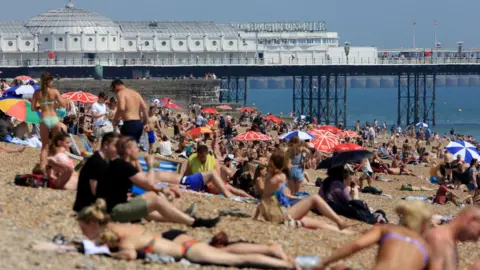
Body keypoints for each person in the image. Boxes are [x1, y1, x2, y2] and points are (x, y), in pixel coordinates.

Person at [77, 199, 296, 269]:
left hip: (183, 249)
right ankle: (269, 248)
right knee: (223, 251)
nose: (81, 231)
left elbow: (129, 254)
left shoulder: (116, 235)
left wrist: (105, 255)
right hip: (173, 237)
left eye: (82, 227)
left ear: (91, 222)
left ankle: (285, 264)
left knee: (237, 260)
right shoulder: (117, 226)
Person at [95, 136, 219, 227]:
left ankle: (181, 216)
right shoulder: (122, 165)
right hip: (114, 211)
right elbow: (149, 183)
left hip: (111, 206)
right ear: (128, 151)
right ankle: (194, 222)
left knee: (150, 211)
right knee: (155, 199)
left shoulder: (119, 164)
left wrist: (162, 189)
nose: (139, 150)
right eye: (136, 148)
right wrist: (149, 165)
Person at [254, 150, 355, 232]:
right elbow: (266, 199)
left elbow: (264, 199)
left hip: (278, 215)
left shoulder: (272, 178)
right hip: (280, 217)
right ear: (283, 164)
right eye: (290, 161)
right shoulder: (280, 177)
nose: (292, 163)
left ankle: (348, 232)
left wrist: (256, 217)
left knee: (318, 224)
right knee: (314, 198)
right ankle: (340, 222)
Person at [316, 201, 433, 270]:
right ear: (423, 224)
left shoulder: (389, 229)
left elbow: (356, 245)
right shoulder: (426, 248)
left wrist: (324, 262)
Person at [183, 144, 252, 198]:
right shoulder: (192, 159)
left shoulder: (214, 161)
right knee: (229, 189)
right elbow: (187, 173)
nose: (202, 159)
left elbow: (217, 177)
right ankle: (236, 197)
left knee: (231, 189)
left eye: (203, 157)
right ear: (197, 154)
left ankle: (251, 198)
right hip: (202, 186)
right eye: (200, 156)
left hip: (212, 184)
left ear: (207, 154)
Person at [73, 132, 119, 212]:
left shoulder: (100, 160)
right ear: (106, 145)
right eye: (116, 146)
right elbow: (96, 192)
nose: (118, 150)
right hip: (90, 209)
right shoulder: (97, 162)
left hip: (91, 205)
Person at [31, 72, 67, 173]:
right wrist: (56, 103)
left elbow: (33, 108)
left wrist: (40, 106)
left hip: (44, 119)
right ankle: (55, 168)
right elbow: (63, 105)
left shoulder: (37, 93)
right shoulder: (54, 92)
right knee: (55, 145)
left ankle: (42, 168)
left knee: (44, 146)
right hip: (54, 119)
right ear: (50, 80)